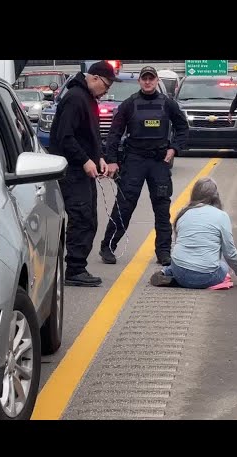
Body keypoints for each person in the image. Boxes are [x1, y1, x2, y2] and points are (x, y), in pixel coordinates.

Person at [99, 65, 189, 267]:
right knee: (124, 206)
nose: (148, 82)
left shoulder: (168, 104)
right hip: (134, 160)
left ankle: (164, 252)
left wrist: (174, 149)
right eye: (144, 79)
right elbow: (114, 133)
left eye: (151, 78)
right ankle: (108, 247)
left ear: (157, 81)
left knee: (161, 207)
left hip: (159, 161)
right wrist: (112, 159)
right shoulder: (129, 104)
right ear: (140, 81)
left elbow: (183, 128)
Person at [49, 60, 121, 287]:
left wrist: (98, 156)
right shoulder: (75, 99)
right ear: (95, 78)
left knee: (89, 217)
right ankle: (74, 269)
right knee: (81, 217)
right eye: (107, 85)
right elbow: (65, 137)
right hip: (72, 170)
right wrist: (85, 161)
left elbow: (89, 135)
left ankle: (78, 266)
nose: (107, 90)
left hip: (83, 169)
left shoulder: (88, 99)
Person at [149, 177, 237, 289]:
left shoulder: (183, 213)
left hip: (179, 269)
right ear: (215, 196)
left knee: (182, 259)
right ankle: (190, 281)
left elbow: (180, 241)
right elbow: (229, 252)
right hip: (206, 276)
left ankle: (168, 273)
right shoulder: (222, 216)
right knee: (223, 265)